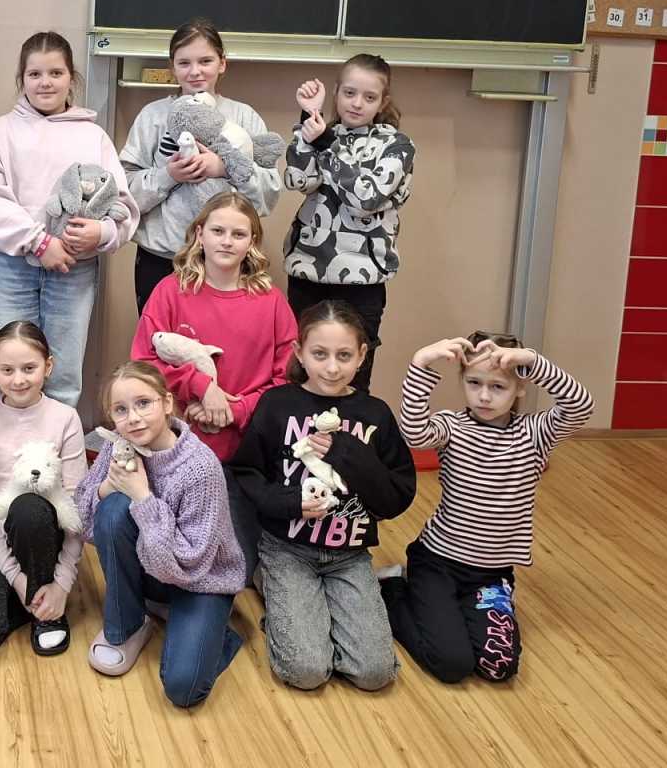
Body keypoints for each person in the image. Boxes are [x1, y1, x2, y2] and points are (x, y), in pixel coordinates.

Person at [378, 331, 594, 684]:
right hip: (438, 563)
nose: (483, 396)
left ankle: (457, 611)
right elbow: (414, 432)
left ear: (520, 388)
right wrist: (420, 363)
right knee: (452, 664)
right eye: (474, 383)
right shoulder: (452, 427)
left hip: (492, 574)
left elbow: (580, 407)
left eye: (498, 386)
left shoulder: (535, 433)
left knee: (498, 667)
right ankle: (392, 590)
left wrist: (532, 361)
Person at [231, 300, 415, 692]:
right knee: (307, 672)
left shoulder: (376, 414)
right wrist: (290, 503)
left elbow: (396, 497)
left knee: (375, 674)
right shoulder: (277, 405)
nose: (332, 367)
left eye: (344, 355)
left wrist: (345, 453)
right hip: (287, 551)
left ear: (362, 355)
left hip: (350, 556)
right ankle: (277, 590)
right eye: (320, 354)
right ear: (299, 352)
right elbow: (247, 473)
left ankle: (323, 607)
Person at [132, 191, 297, 584]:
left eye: (238, 234)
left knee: (235, 570)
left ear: (252, 242)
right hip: (177, 448)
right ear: (199, 234)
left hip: (242, 454)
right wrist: (201, 386)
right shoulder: (170, 291)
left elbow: (287, 380)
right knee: (165, 560)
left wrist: (233, 410)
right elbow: (144, 363)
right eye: (218, 231)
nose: (227, 241)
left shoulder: (271, 302)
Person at [0, 31, 139, 406]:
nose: (45, 82)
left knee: (62, 374)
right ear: (22, 79)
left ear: (71, 78)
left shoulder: (93, 136)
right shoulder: (0, 133)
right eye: (34, 74)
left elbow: (121, 204)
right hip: (11, 266)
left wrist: (101, 231)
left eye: (55, 73)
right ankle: (0, 443)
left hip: (74, 269)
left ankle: (57, 443)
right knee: (6, 368)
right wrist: (39, 241)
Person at [75, 360, 244, 709]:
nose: (133, 418)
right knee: (112, 508)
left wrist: (143, 497)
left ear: (167, 403)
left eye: (143, 403)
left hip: (199, 580)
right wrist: (108, 487)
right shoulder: (118, 446)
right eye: (121, 410)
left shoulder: (201, 468)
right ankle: (127, 625)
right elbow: (83, 518)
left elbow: (191, 563)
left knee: (184, 689)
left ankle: (213, 632)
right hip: (152, 570)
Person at [120, 18, 281, 312]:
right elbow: (125, 190)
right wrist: (168, 175)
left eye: (205, 61)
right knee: (160, 337)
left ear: (222, 63)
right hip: (163, 257)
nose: (195, 71)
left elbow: (268, 196)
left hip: (227, 262)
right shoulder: (153, 116)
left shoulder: (244, 117)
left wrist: (225, 167)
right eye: (184, 63)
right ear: (172, 67)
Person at [283, 53, 414, 392]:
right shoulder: (324, 132)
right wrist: (308, 121)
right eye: (349, 93)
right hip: (308, 273)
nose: (357, 103)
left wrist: (326, 144)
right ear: (337, 92)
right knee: (300, 375)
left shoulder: (396, 146)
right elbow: (298, 179)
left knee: (353, 379)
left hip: (361, 280)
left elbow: (365, 199)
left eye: (369, 97)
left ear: (383, 101)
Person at [0, 321, 86, 658]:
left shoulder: (65, 418)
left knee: (29, 508)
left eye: (29, 368)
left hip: (45, 538)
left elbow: (77, 506)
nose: (18, 380)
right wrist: (16, 577)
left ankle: (47, 609)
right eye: (7, 370)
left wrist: (62, 583)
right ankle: (32, 598)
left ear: (48, 366)